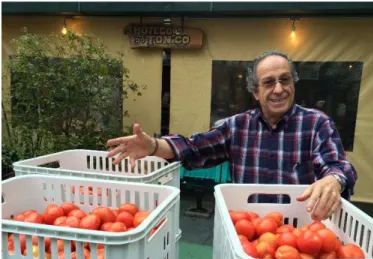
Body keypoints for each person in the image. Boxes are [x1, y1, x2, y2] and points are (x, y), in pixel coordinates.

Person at [106, 50, 358, 221]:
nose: (279, 89)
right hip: (245, 231)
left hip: (300, 235)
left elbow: (338, 166)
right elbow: (195, 148)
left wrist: (334, 180)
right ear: (256, 92)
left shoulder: (316, 123)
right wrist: (152, 145)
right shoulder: (237, 127)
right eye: (269, 82)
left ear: (293, 84)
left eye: (285, 80)